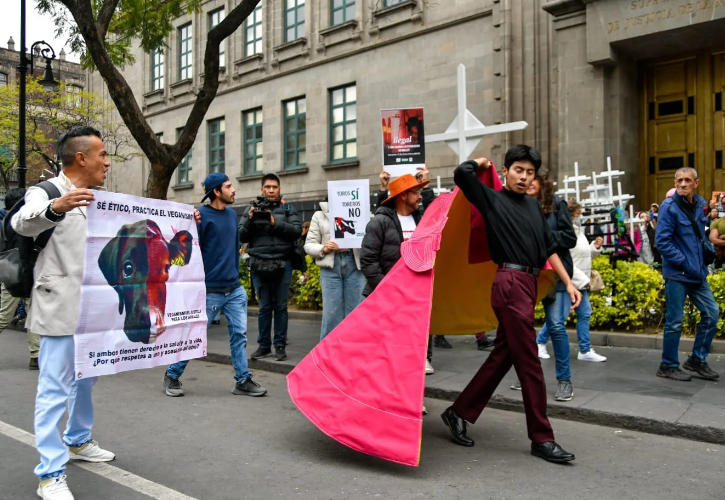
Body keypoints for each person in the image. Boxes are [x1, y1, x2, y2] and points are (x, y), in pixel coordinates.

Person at [440, 146, 581, 464]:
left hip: (528, 285)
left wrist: (568, 275)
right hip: (509, 282)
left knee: (504, 356)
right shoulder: (491, 198)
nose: (524, 177)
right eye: (519, 170)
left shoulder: (533, 206)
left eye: (530, 172)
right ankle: (542, 438)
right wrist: (479, 162)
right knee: (530, 362)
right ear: (505, 171)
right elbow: (462, 174)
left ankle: (458, 412)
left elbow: (548, 246)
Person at [12, 126, 116, 500]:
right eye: (102, 154)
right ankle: (50, 473)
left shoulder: (102, 199)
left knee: (86, 379)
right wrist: (57, 207)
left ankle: (77, 439)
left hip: (95, 307)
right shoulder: (48, 191)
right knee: (54, 387)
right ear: (81, 158)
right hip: (59, 303)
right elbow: (21, 223)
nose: (107, 161)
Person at [164, 173, 267, 398]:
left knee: (239, 335)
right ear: (216, 192)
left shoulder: (232, 215)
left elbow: (234, 243)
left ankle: (242, 380)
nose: (234, 190)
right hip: (210, 290)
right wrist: (188, 219)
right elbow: (187, 246)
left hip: (235, 289)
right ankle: (172, 374)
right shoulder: (201, 217)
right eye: (229, 186)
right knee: (195, 335)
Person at [365, 167, 437, 373]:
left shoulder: (419, 219)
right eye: (415, 192)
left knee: (416, 346)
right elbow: (369, 261)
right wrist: (387, 289)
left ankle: (422, 365)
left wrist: (427, 184)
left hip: (417, 293)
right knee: (391, 352)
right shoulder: (380, 222)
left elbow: (436, 218)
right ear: (403, 196)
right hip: (389, 297)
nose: (420, 196)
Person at [655, 167, 720, 382]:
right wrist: (685, 263)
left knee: (711, 314)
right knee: (675, 321)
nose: (683, 184)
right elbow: (662, 242)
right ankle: (668, 365)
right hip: (677, 273)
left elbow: (699, 237)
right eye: (679, 180)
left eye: (687, 180)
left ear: (696, 183)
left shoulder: (699, 205)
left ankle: (697, 359)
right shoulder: (668, 207)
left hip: (697, 273)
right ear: (675, 183)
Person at [525, 173, 578, 401]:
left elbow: (569, 238)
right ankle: (526, 377)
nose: (527, 182)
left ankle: (564, 381)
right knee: (522, 328)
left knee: (555, 326)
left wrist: (544, 237)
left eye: (532, 178)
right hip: (529, 274)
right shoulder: (521, 204)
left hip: (555, 274)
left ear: (542, 183)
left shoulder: (557, 205)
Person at [536, 201, 606, 362]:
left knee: (584, 313)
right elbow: (566, 260)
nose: (580, 216)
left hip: (579, 281)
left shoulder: (577, 231)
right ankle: (540, 341)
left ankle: (585, 349)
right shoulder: (564, 232)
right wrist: (581, 280)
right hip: (570, 280)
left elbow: (583, 254)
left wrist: (594, 248)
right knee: (559, 317)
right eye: (577, 213)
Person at [242, 174, 302, 362]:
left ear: (279, 188)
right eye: (267, 187)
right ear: (262, 189)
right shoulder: (250, 209)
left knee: (281, 307)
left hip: (283, 263)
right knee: (264, 307)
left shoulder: (287, 208)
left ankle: (280, 346)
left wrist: (275, 223)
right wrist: (252, 219)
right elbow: (241, 236)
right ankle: (263, 346)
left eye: (274, 187)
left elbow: (297, 230)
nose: (270, 190)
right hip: (259, 263)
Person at [305, 199, 365, 340]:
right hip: (330, 267)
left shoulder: (360, 212)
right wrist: (324, 248)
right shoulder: (319, 215)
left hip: (354, 264)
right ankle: (328, 356)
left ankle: (355, 353)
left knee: (356, 312)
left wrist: (356, 241)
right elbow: (308, 245)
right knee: (331, 314)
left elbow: (372, 239)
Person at [0, 187, 40, 369]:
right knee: (30, 314)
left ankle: (36, 354)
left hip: (10, 273)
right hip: (24, 272)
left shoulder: (5, 221)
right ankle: (36, 356)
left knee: (6, 314)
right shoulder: (19, 221)